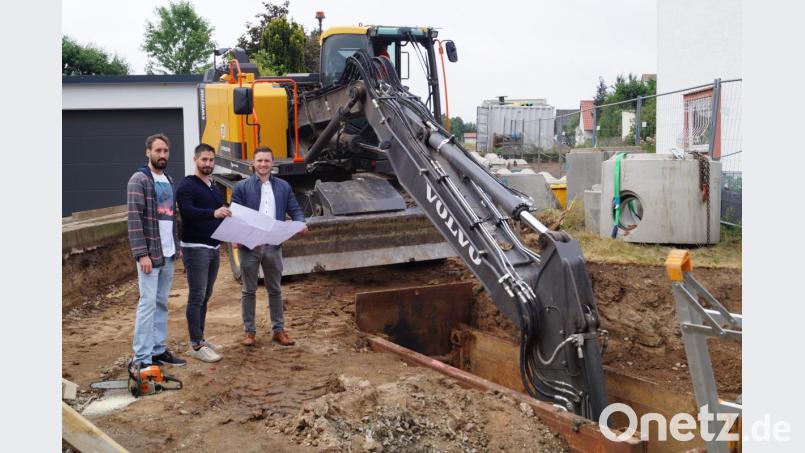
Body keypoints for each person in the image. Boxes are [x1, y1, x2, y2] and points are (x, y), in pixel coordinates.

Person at [231, 146, 307, 347]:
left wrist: (301, 223)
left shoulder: (283, 187)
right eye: (259, 161)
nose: (263, 164)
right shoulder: (241, 187)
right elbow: (235, 216)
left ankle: (278, 330)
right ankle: (250, 332)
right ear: (253, 164)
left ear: (272, 163)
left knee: (275, 289)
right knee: (249, 290)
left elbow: (295, 209)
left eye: (267, 161)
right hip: (250, 246)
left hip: (273, 245)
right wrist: (236, 237)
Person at [127, 133, 186, 368]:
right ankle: (141, 358)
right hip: (150, 254)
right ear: (148, 152)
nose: (162, 155)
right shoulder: (139, 180)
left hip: (168, 253)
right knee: (148, 303)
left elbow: (171, 218)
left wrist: (176, 248)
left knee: (161, 302)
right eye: (158, 151)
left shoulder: (169, 179)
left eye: (165, 151)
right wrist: (142, 254)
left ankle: (158, 350)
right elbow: (134, 220)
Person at [176, 143, 231, 363]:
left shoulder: (212, 186)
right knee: (197, 296)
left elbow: (223, 209)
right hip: (195, 248)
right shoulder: (187, 186)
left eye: (211, 160)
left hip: (213, 247)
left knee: (205, 296)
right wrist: (213, 212)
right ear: (195, 160)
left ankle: (201, 337)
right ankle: (195, 345)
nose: (208, 164)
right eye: (204, 160)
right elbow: (187, 212)